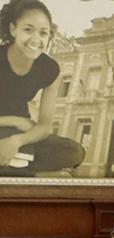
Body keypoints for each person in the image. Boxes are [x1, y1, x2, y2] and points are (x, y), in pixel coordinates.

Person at [0, 0, 84, 175]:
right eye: (28, 29)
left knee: (75, 152)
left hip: (21, 133)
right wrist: (15, 121)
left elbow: (44, 126)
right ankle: (24, 170)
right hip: (14, 125)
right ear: (13, 29)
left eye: (43, 33)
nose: (36, 40)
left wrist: (16, 141)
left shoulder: (50, 69)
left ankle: (16, 164)